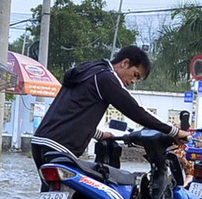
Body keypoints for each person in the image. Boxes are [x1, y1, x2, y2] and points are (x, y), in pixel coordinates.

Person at [31, 45, 190, 172]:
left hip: (41, 142)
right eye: (135, 74)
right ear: (125, 63)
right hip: (61, 146)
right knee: (77, 197)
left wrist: (100, 134)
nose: (133, 81)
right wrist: (175, 132)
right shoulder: (106, 77)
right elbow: (135, 111)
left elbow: (74, 113)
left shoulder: (90, 70)